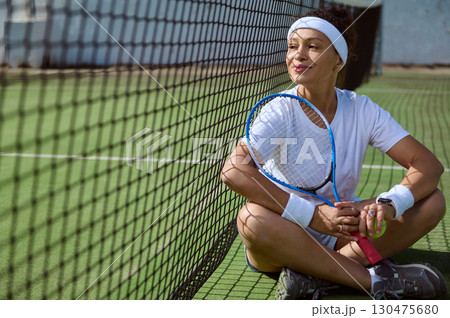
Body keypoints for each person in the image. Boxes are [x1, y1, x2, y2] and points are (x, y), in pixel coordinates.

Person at [220, 4, 447, 300]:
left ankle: (316, 277)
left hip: (343, 230)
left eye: (313, 46)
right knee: (251, 218)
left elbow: (428, 166)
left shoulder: (362, 109)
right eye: (292, 46)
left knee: (432, 201)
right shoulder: (278, 109)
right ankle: (372, 281)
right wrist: (312, 215)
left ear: (337, 61)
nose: (298, 55)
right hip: (284, 230)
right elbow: (234, 170)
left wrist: (387, 204)